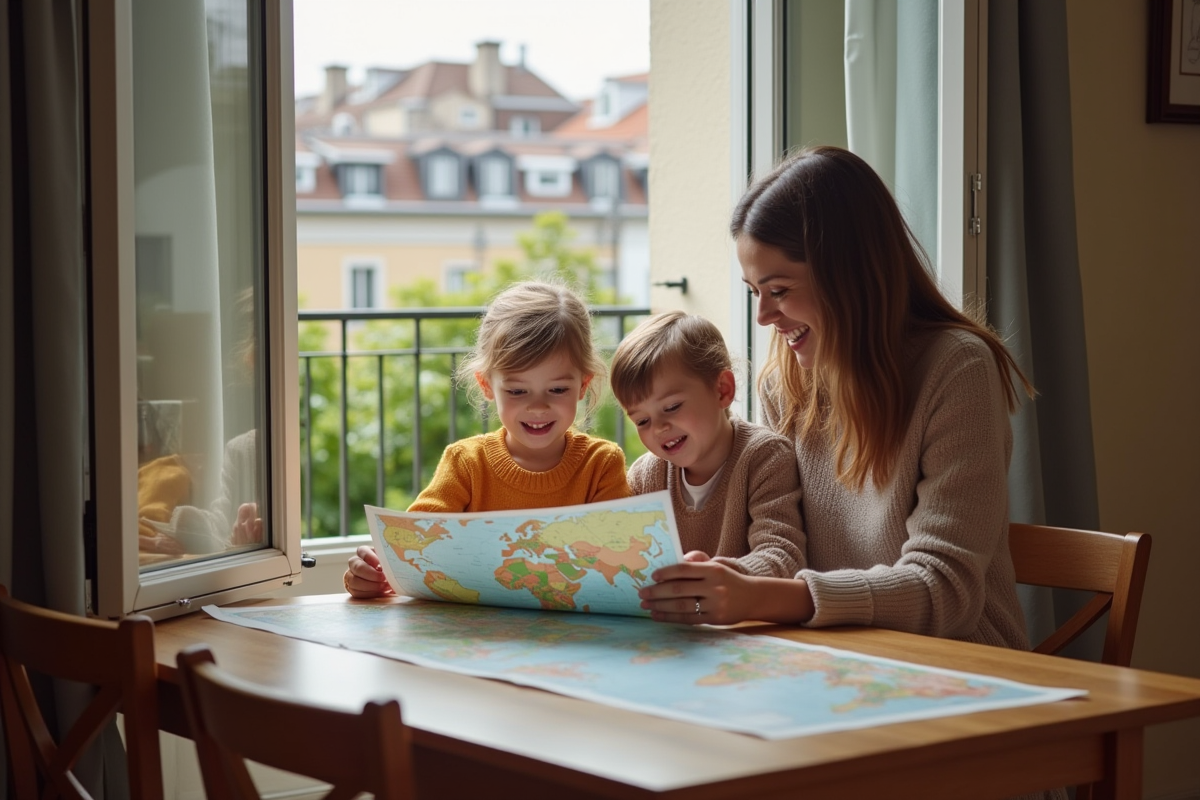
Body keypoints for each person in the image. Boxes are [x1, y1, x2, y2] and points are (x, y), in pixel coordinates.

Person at [639, 145, 1036, 653]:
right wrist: (725, 578)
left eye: (779, 289)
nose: (763, 316)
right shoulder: (787, 383)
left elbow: (946, 592)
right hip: (837, 655)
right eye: (753, 291)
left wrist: (763, 598)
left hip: (964, 664)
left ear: (848, 274)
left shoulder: (956, 369)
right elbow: (784, 543)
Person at [344, 280, 632, 598]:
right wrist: (372, 575)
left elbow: (623, 567)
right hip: (475, 638)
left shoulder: (602, 463)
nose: (538, 406)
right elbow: (410, 553)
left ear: (583, 385)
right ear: (486, 386)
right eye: (517, 391)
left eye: (558, 389)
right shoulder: (465, 462)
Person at [610, 310, 805, 578]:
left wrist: (720, 578)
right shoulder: (645, 475)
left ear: (722, 390)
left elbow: (784, 556)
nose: (658, 428)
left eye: (672, 407)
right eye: (642, 421)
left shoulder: (765, 456)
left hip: (744, 617)